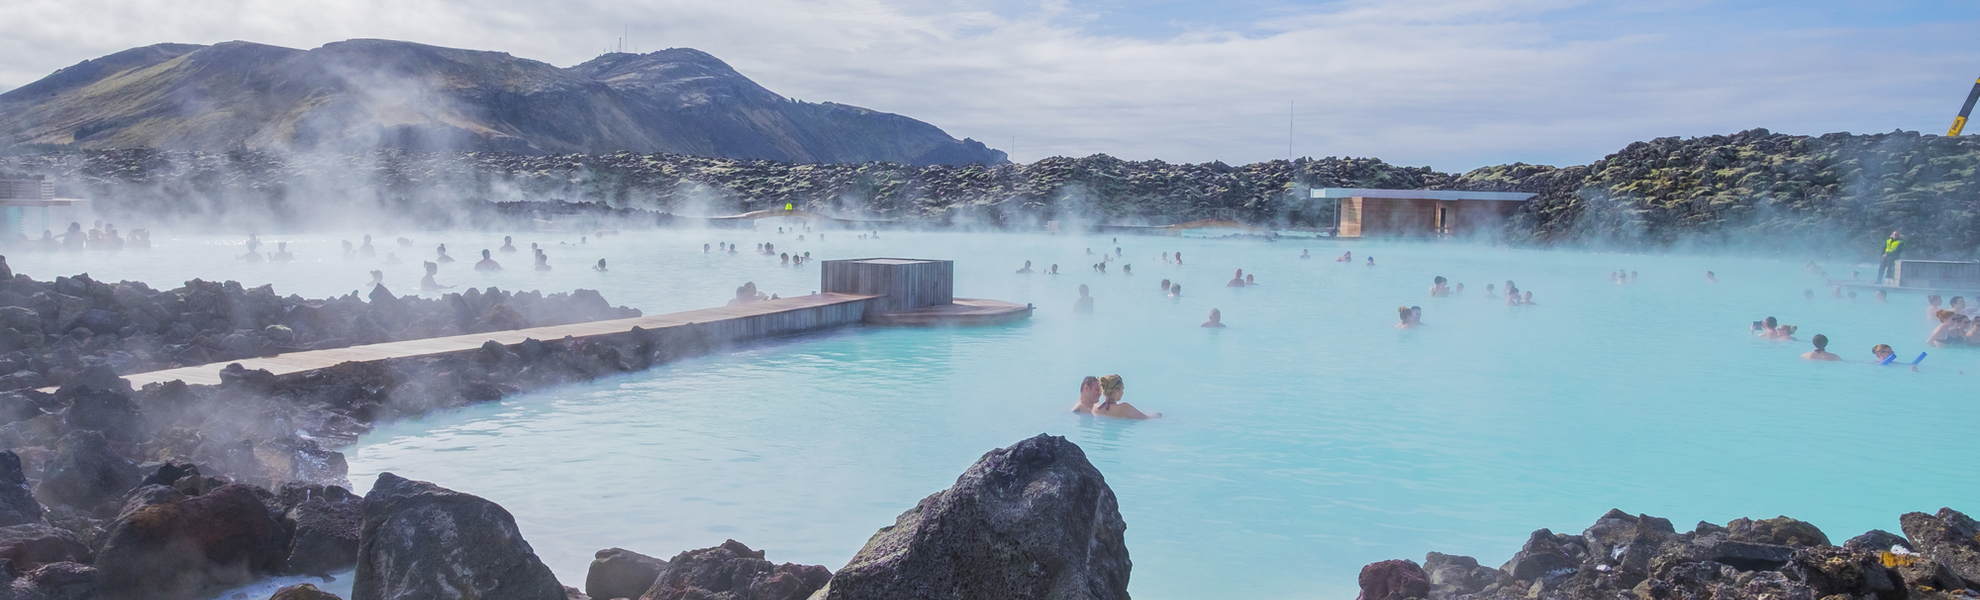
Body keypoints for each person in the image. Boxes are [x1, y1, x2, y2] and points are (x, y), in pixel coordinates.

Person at [1078, 374, 1158, 419]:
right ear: (1117, 392)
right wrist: (1158, 415)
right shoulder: (1125, 408)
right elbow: (1146, 418)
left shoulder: (1095, 408)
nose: (1122, 392)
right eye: (1122, 390)